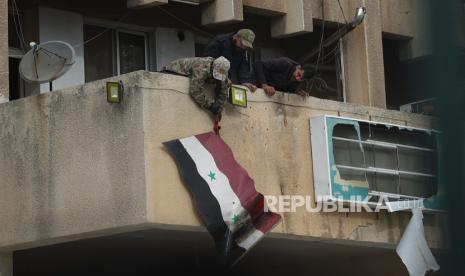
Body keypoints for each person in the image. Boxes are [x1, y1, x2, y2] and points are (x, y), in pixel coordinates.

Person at [163, 56, 231, 117]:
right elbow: (195, 90)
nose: (217, 76)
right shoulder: (200, 67)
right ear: (213, 66)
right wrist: (209, 106)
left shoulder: (223, 70)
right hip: (173, 71)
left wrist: (218, 109)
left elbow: (223, 89)